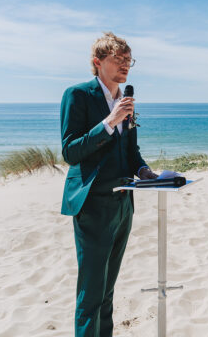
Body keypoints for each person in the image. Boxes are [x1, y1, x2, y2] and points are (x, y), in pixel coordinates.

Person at [60, 32, 158, 336]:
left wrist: (144, 171)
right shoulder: (77, 95)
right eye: (118, 59)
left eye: (128, 60)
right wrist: (108, 122)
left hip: (123, 205)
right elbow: (70, 151)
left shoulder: (124, 101)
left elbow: (130, 151)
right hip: (92, 204)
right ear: (97, 62)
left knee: (107, 292)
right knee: (91, 293)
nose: (125, 65)